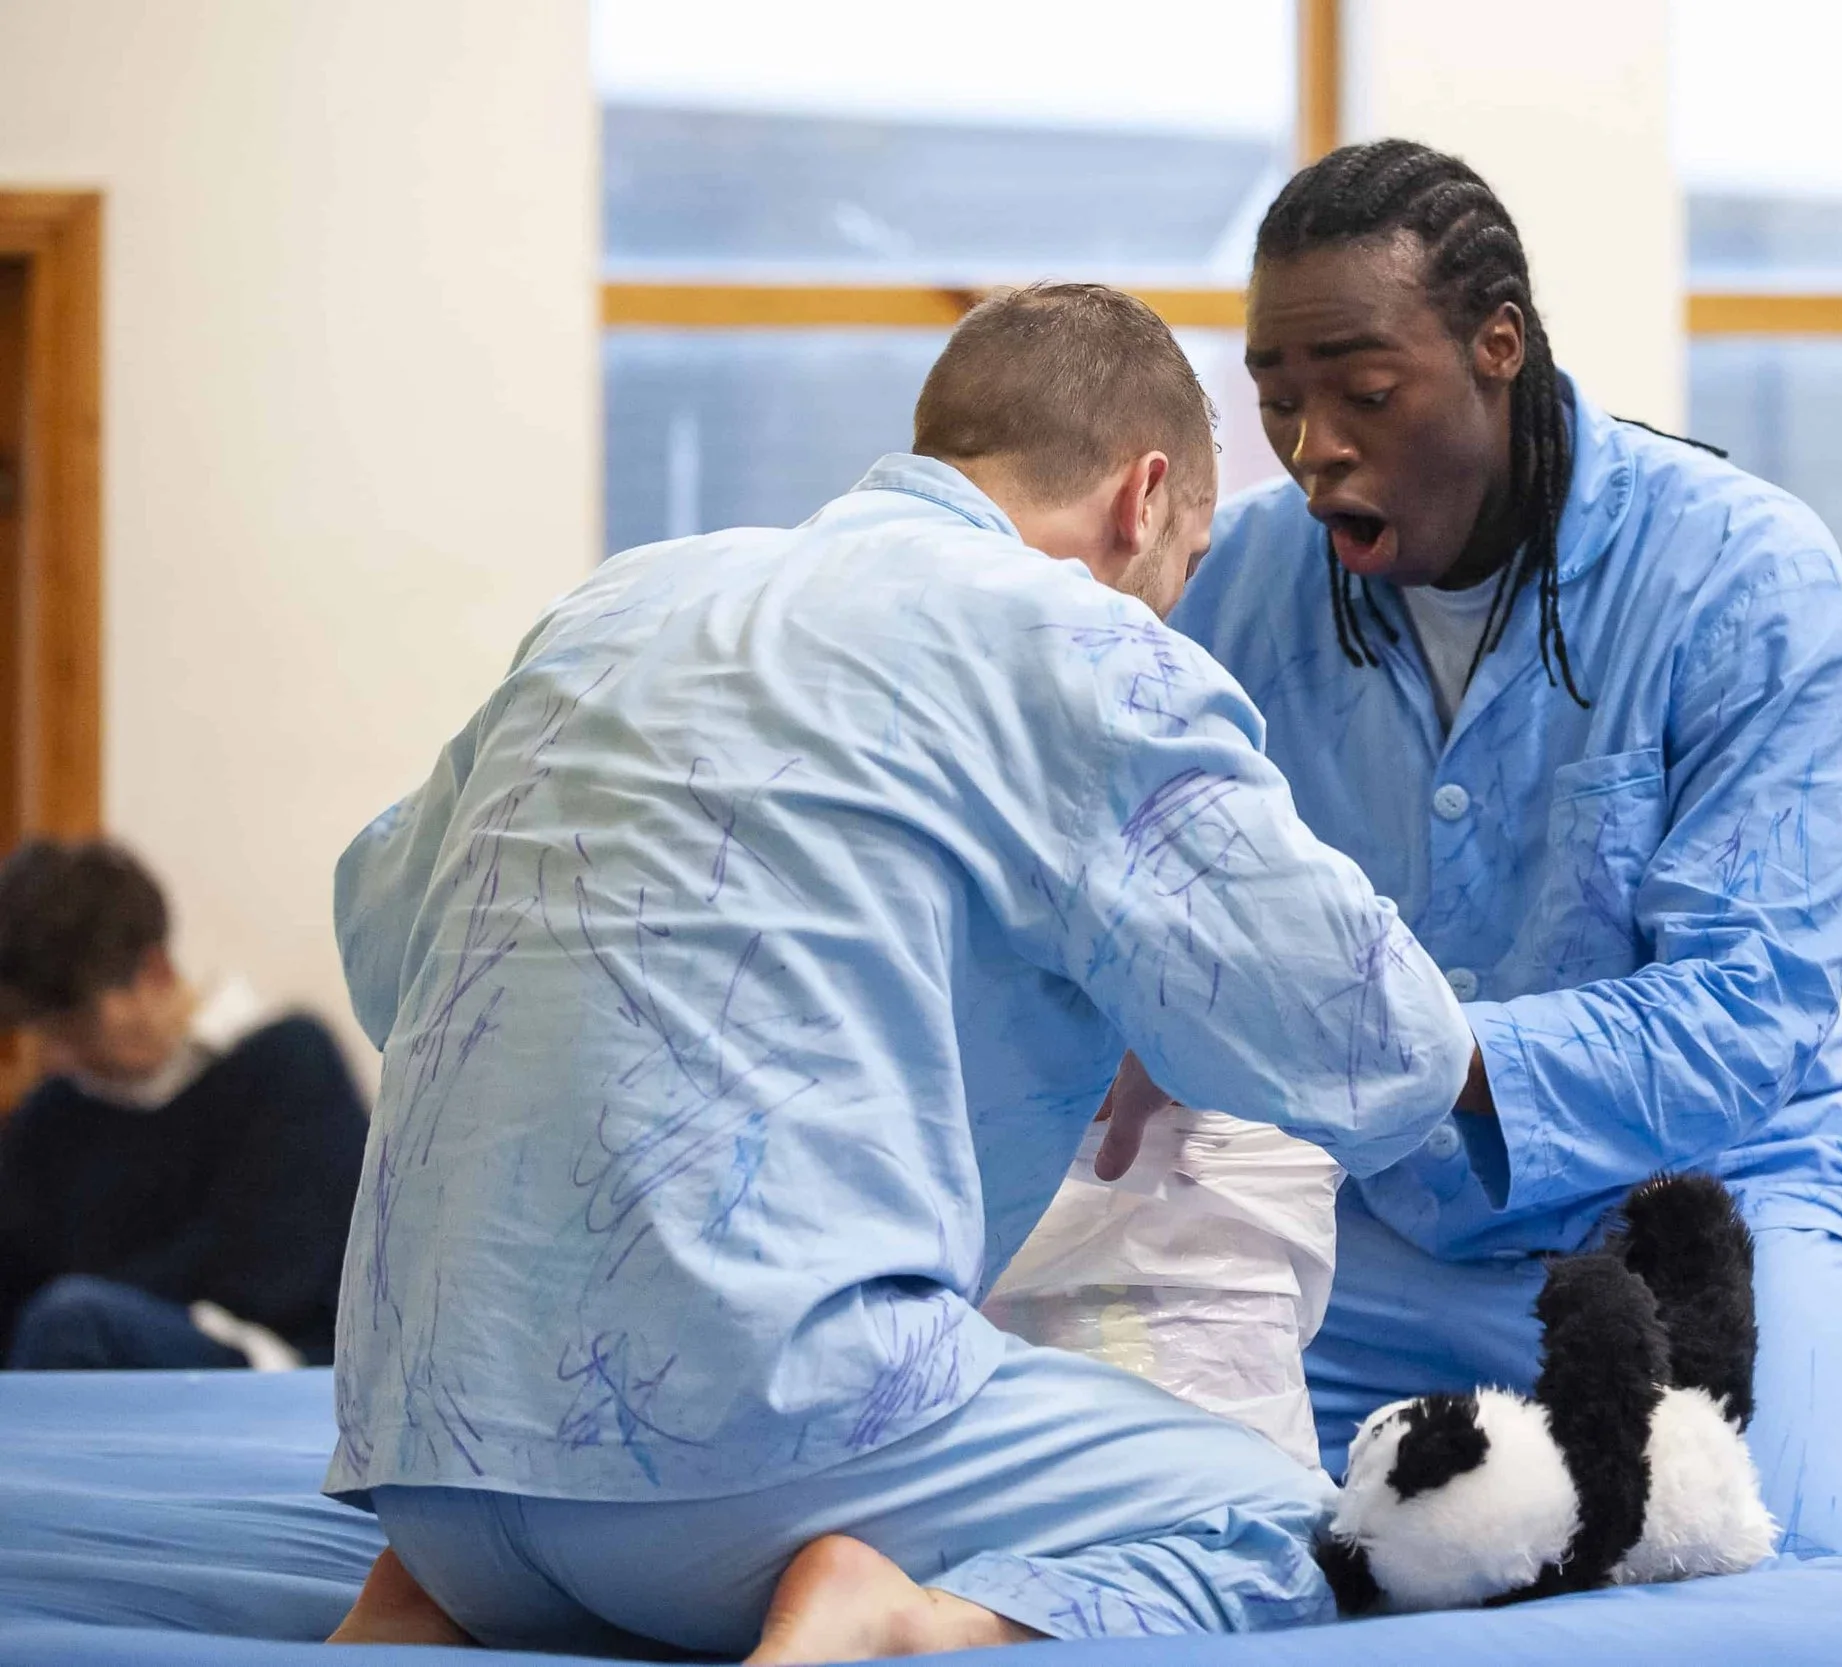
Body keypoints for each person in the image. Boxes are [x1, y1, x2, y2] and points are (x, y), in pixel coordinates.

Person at [321, 283, 1475, 1663]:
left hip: (433, 1456)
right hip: (742, 1462)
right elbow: (1379, 1037)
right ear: (1143, 498)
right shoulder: (1077, 639)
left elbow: (385, 950)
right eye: (1191, 557)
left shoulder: (618, 598)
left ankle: (443, 1595)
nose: (1179, 597)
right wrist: (1161, 999)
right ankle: (909, 1616)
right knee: (1320, 1527)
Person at [1168, 140, 1842, 1560]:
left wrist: (1422, 1045)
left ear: (1496, 345)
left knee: (1794, 1545)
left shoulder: (1745, 574)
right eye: (1277, 401)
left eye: (1365, 392)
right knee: (1163, 1510)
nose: (1315, 442)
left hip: (1709, 1204)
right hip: (1385, 1223)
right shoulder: (1236, 592)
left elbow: (1750, 1009)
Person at [0, 838, 366, 1371]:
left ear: (154, 973)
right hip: (98, 1359)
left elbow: (277, 1277)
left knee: (73, 1321)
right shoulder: (50, 1116)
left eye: (76, 1029)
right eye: (45, 1034)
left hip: (267, 1368)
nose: (58, 1057)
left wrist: (96, 1293)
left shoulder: (286, 1065)